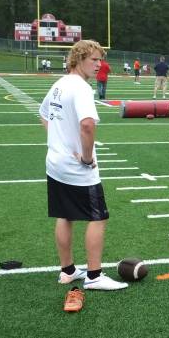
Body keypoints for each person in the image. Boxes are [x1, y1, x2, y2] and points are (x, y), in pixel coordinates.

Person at [38, 39, 128, 291]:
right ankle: (94, 276)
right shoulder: (80, 88)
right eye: (94, 59)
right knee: (98, 217)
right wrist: (86, 157)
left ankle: (67, 271)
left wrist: (58, 141)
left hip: (55, 163)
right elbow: (88, 125)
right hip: (77, 168)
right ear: (78, 59)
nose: (99, 64)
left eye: (100, 59)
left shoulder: (59, 84)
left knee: (65, 215)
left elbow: (43, 114)